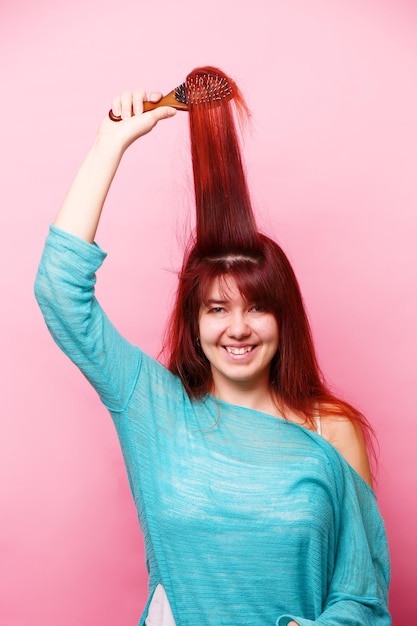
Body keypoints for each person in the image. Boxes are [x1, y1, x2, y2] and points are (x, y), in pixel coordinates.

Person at [34, 76, 391, 625]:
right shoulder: (151, 404)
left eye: (256, 308)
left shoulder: (331, 429)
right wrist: (109, 145)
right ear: (194, 321)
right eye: (217, 309)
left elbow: (362, 596)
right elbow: (59, 292)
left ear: (283, 317)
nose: (239, 329)